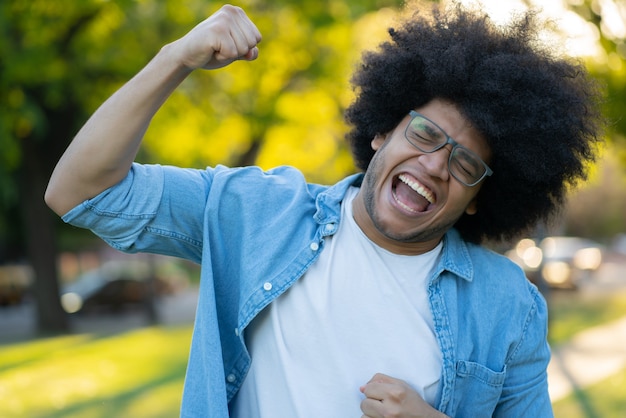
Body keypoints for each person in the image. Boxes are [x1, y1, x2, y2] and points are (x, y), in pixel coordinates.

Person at [45, 3, 603, 417]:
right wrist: (175, 59)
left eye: (464, 165)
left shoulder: (508, 305)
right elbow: (79, 192)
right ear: (382, 131)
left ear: (480, 197)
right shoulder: (255, 212)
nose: (435, 166)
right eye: (426, 133)